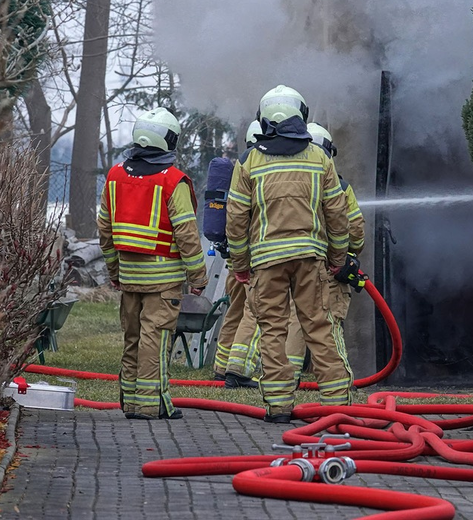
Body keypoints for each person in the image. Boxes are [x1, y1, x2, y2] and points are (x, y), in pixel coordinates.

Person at [226, 85, 352, 423]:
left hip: (266, 263)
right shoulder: (320, 158)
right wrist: (337, 258)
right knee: (319, 328)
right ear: (301, 115)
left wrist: (240, 265)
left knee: (272, 331)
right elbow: (337, 215)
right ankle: (337, 406)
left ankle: (279, 406)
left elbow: (236, 220)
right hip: (310, 259)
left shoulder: (248, 161)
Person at [98, 107, 208, 420]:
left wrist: (114, 271)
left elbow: (105, 229)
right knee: (154, 341)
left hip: (129, 278)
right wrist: (198, 277)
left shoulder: (115, 176)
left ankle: (131, 402)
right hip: (163, 282)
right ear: (168, 140)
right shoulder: (172, 181)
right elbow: (187, 235)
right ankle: (150, 405)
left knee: (132, 338)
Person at [285, 122, 365, 380]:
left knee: (297, 318)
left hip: (296, 263)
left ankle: (288, 376)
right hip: (330, 266)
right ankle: (336, 378)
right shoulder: (339, 186)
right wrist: (347, 253)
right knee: (330, 321)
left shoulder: (288, 182)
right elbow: (356, 230)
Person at [211, 120, 262, 388]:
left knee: (235, 310)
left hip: (234, 257)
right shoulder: (262, 171)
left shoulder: (240, 170)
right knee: (256, 309)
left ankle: (221, 366)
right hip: (254, 258)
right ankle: (238, 369)